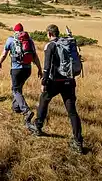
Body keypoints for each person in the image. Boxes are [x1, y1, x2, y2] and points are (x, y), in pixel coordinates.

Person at [27, 24, 84, 154]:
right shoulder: (67, 43)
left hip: (54, 82)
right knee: (72, 112)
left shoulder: (50, 46)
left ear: (49, 34)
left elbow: (46, 67)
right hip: (69, 81)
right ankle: (78, 141)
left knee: (43, 101)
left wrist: (44, 82)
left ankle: (38, 127)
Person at [0, 23, 43, 123]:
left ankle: (26, 110)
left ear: (14, 31)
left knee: (15, 90)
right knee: (18, 88)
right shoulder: (29, 40)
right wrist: (39, 68)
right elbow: (35, 56)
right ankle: (16, 107)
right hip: (27, 70)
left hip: (16, 69)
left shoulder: (11, 40)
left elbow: (4, 54)